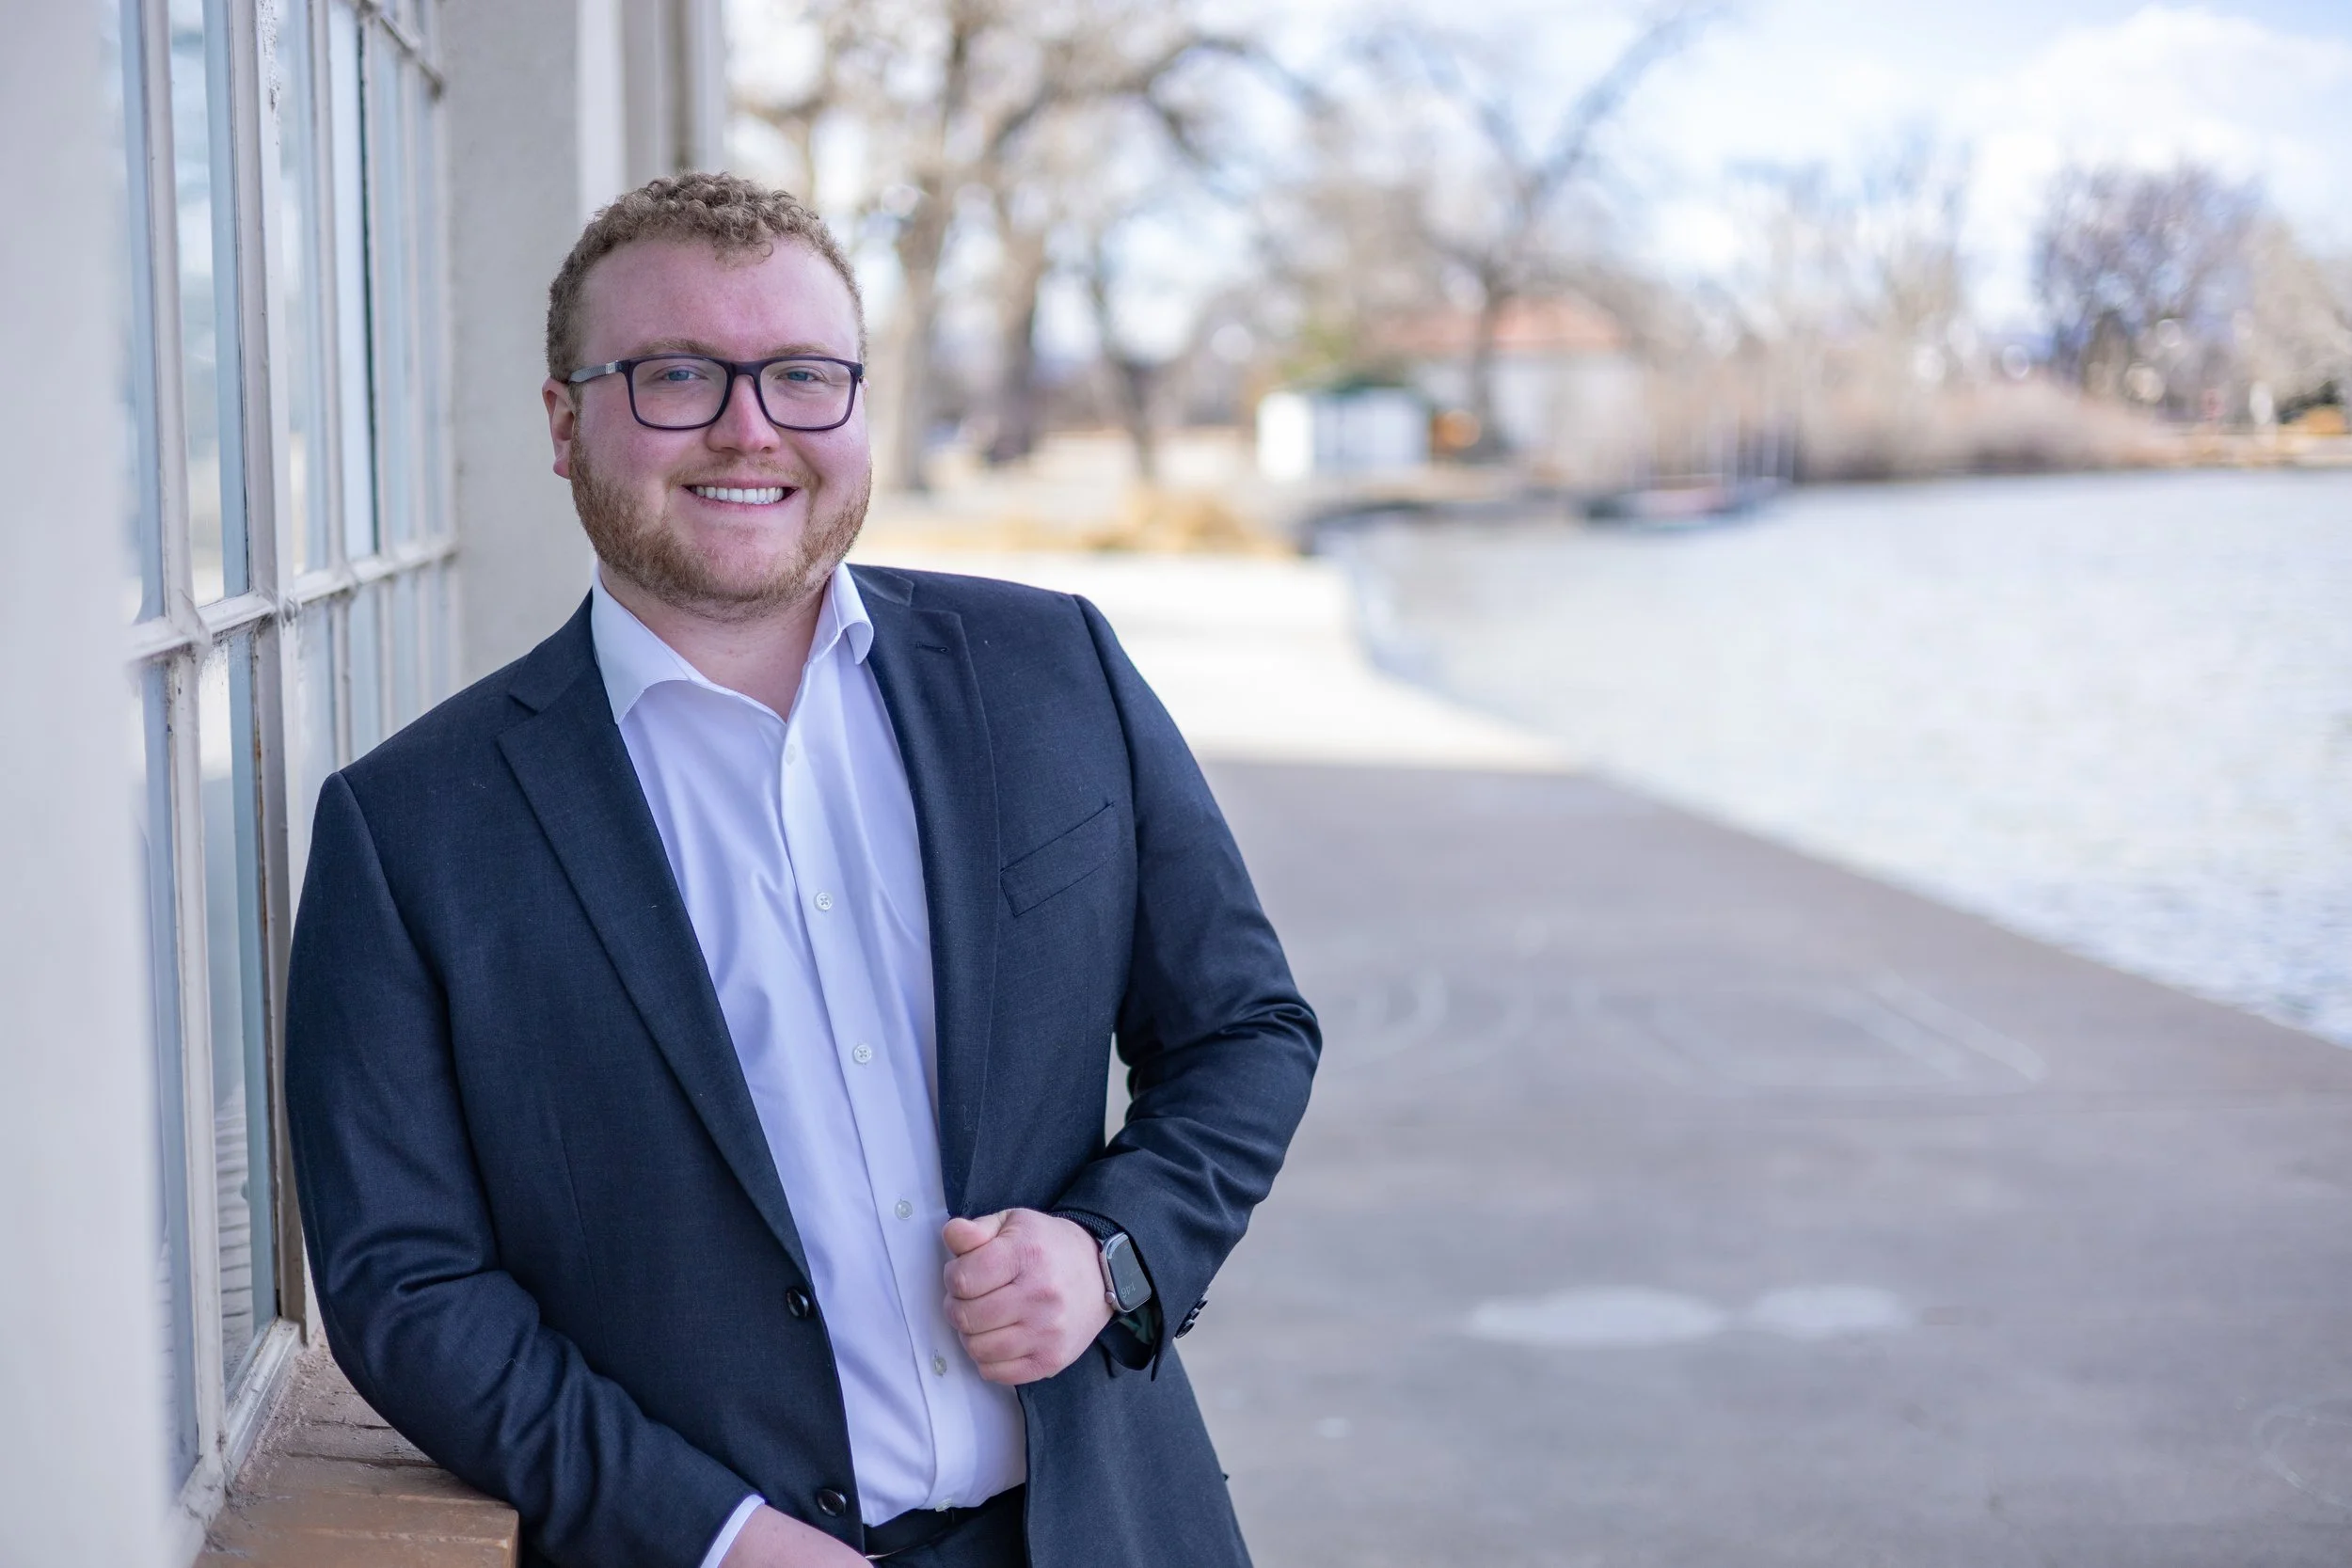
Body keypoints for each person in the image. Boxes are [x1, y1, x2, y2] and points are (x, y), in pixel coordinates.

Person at [284, 173, 1320, 1568]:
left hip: (1114, 1530)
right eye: (675, 375)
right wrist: (713, 1536)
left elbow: (1245, 1029)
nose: (750, 427)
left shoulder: (1053, 670)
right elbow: (406, 1286)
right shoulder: (411, 828)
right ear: (563, 424)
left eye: (803, 375)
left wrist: (1110, 1253)